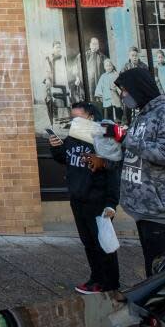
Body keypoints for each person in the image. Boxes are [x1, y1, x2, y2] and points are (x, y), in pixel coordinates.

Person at [116, 66, 165, 277]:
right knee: (153, 271)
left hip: (163, 210)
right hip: (146, 209)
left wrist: (126, 139)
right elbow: (138, 147)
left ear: (138, 88)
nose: (123, 95)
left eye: (125, 90)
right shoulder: (143, 114)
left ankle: (164, 309)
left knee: (164, 275)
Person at [48, 101, 121, 294]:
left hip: (97, 199)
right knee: (88, 243)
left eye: (77, 117)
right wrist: (56, 147)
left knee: (103, 244)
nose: (74, 121)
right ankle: (95, 278)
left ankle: (110, 284)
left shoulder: (102, 138)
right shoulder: (73, 138)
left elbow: (113, 172)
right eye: (72, 118)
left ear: (90, 117)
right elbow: (66, 157)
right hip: (78, 198)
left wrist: (111, 202)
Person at [82, 38, 106, 105]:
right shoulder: (85, 55)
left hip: (99, 81)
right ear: (90, 45)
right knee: (91, 99)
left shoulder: (102, 57)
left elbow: (108, 67)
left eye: (96, 44)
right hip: (89, 83)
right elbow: (77, 67)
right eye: (93, 44)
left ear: (98, 46)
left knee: (100, 100)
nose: (95, 46)